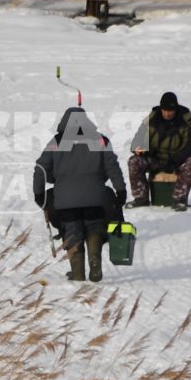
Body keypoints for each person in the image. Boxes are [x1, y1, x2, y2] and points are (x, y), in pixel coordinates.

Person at [31, 105, 128, 283]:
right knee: (94, 228)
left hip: (65, 200)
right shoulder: (100, 140)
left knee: (72, 231)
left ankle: (77, 273)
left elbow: (40, 169)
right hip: (95, 197)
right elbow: (112, 166)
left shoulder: (56, 142)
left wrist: (39, 194)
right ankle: (94, 259)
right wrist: (120, 190)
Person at [128, 91, 191, 211]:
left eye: (170, 110)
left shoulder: (186, 120)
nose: (167, 113)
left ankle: (179, 199)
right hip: (155, 160)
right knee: (134, 161)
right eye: (165, 110)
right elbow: (137, 141)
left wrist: (174, 161)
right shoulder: (151, 119)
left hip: (177, 160)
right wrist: (141, 150)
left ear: (176, 109)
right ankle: (141, 198)